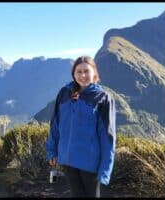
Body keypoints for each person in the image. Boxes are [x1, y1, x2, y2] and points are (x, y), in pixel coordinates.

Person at [45, 56, 116, 198]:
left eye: (86, 71)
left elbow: (108, 136)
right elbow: (55, 124)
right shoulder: (64, 93)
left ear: (94, 73)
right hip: (67, 159)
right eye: (79, 71)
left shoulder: (102, 97)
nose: (83, 75)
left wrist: (105, 169)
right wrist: (52, 150)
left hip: (90, 162)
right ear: (73, 73)